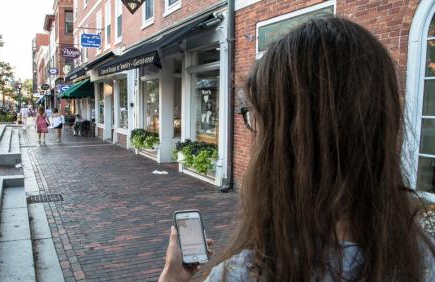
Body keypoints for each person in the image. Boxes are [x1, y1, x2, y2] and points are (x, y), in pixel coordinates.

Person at [159, 17, 435, 282]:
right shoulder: (422, 258)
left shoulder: (245, 273)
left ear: (282, 141)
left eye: (256, 117)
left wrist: (172, 277)